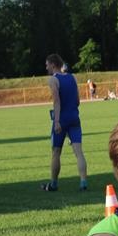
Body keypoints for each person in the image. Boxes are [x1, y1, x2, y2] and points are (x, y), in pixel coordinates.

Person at [43, 53, 88, 191]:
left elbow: (56, 101)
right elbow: (77, 101)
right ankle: (83, 182)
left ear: (53, 64)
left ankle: (54, 183)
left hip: (61, 120)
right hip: (74, 118)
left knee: (56, 152)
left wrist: (57, 121)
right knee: (79, 152)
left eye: (47, 65)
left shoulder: (53, 80)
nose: (46, 67)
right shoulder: (72, 77)